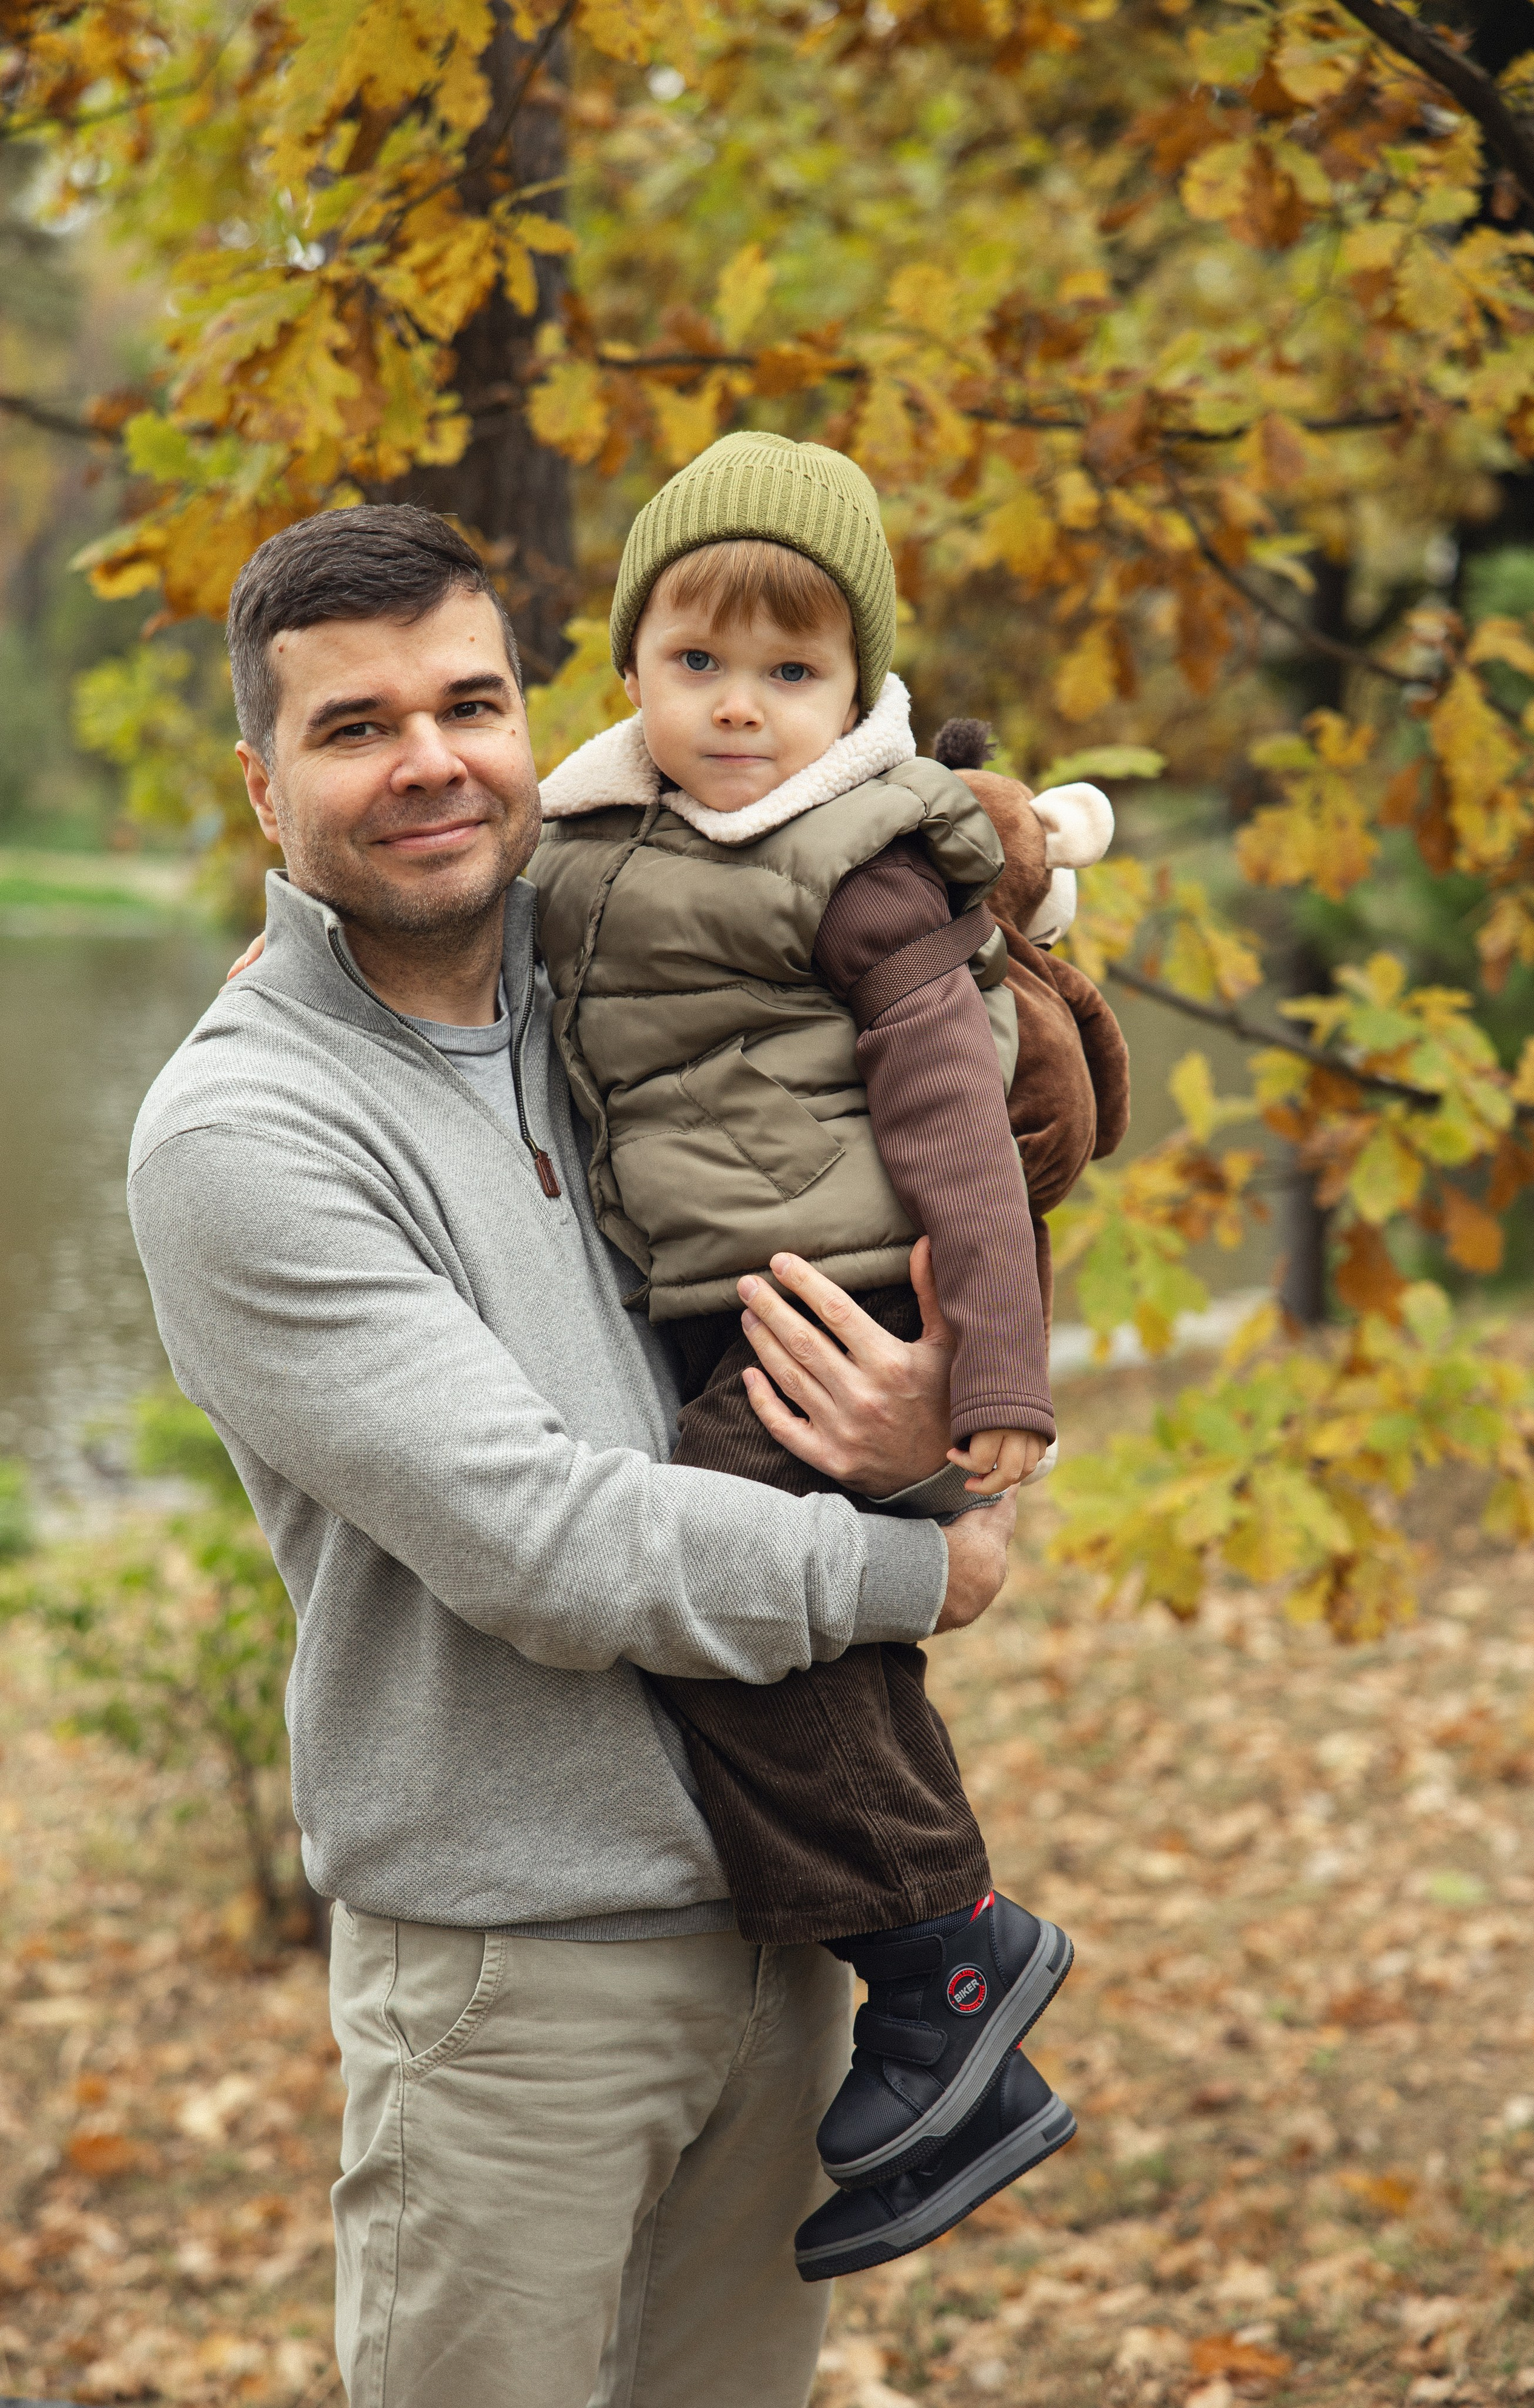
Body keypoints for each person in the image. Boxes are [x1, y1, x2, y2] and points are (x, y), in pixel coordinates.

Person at [128, 501, 1022, 2408]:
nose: (433, 760)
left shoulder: (630, 971)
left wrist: (940, 1421)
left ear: (542, 720)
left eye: (471, 702)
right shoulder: (245, 1133)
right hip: (514, 1976)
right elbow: (546, 1546)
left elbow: (937, 1096)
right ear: (262, 785)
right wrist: (918, 1568)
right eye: (355, 727)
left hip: (792, 1933)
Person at [529, 431, 1114, 2277]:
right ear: (631, 664)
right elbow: (464, 937)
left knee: (719, 1586)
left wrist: (996, 1385)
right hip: (717, 1284)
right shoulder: (584, 833)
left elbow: (956, 1134)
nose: (742, 711)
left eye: (794, 675)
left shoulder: (859, 864)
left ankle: (949, 1953)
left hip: (848, 1283)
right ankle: (973, 2068)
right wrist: (279, 954)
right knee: (764, 1616)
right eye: (700, 664)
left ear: (859, 689)